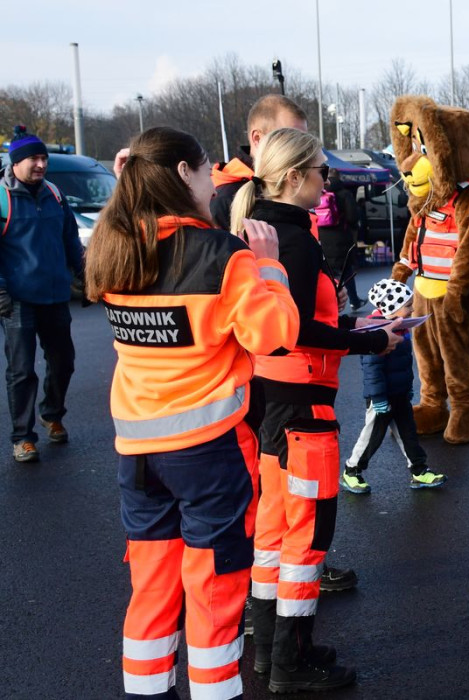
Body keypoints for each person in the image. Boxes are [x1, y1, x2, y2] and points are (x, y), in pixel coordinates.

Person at [85, 126, 300, 699]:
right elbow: (275, 337)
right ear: (184, 173)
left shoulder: (113, 247)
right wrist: (269, 267)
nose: (213, 184)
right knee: (213, 597)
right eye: (207, 171)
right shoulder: (221, 255)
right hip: (209, 452)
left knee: (152, 593)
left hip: (137, 454)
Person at [230, 127, 402, 693]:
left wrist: (353, 325)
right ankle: (291, 661)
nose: (326, 183)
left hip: (269, 401)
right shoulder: (296, 241)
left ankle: (273, 650)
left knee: (273, 532)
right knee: (306, 538)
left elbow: (293, 320)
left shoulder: (259, 232)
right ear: (294, 176)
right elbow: (299, 329)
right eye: (320, 172)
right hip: (303, 407)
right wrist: (370, 339)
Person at [0, 132, 84, 463]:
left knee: (64, 361)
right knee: (21, 371)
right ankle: (23, 437)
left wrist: (85, 276)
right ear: (15, 163)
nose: (41, 164)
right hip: (17, 299)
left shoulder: (54, 194)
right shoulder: (2, 198)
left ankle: (52, 414)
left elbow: (70, 240)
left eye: (44, 159)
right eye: (34, 159)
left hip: (54, 294)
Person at [341, 278, 446, 493]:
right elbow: (372, 370)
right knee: (372, 435)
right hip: (382, 397)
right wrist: (378, 398)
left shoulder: (401, 330)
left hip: (399, 394)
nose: (412, 309)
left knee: (408, 433)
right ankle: (351, 470)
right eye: (407, 305)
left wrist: (407, 388)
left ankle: (419, 470)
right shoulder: (376, 333)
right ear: (391, 307)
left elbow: (403, 365)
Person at [210, 94, 309, 231]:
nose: (301, 149)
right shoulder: (224, 197)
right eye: (290, 139)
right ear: (257, 138)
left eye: (304, 141)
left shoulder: (298, 181)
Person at [316, 171, 364, 310]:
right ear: (339, 177)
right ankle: (354, 300)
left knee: (328, 272)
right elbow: (352, 217)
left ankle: (330, 302)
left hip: (323, 237)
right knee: (346, 270)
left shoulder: (320, 192)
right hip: (342, 236)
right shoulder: (344, 193)